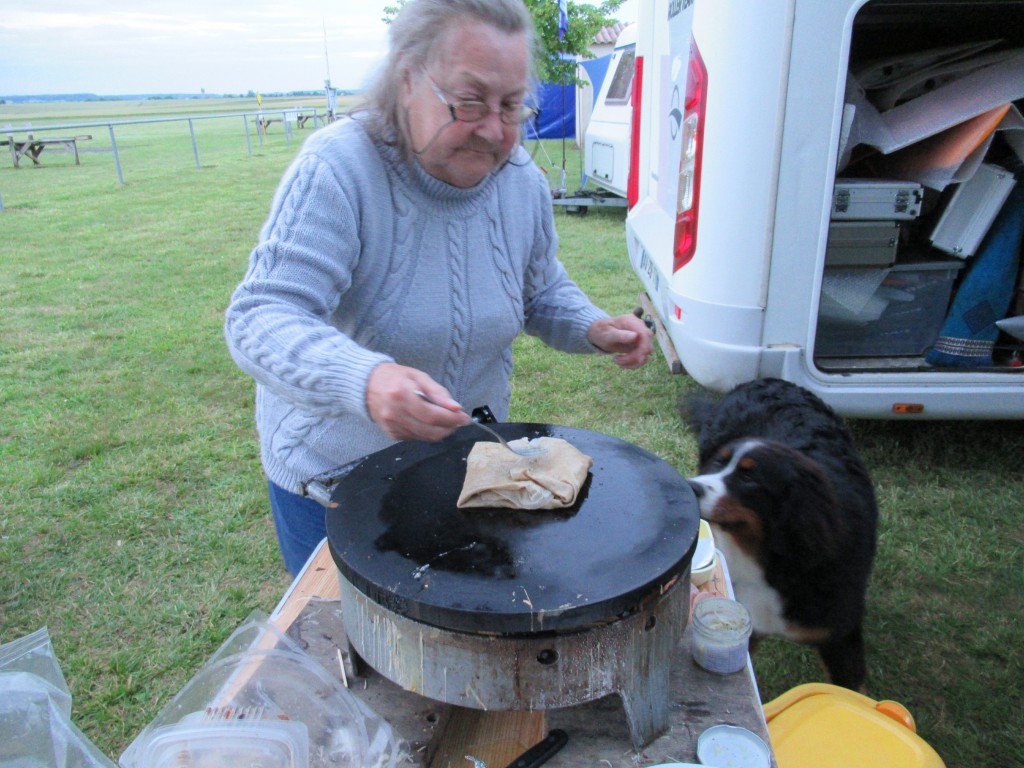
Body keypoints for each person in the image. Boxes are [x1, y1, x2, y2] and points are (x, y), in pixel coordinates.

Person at [224, 0, 654, 576]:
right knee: (352, 646)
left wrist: (591, 326)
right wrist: (367, 380)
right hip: (332, 479)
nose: (495, 131)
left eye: (512, 105)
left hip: (461, 465)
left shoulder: (519, 179)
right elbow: (260, 315)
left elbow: (538, 288)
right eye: (470, 101)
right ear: (406, 80)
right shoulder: (340, 167)